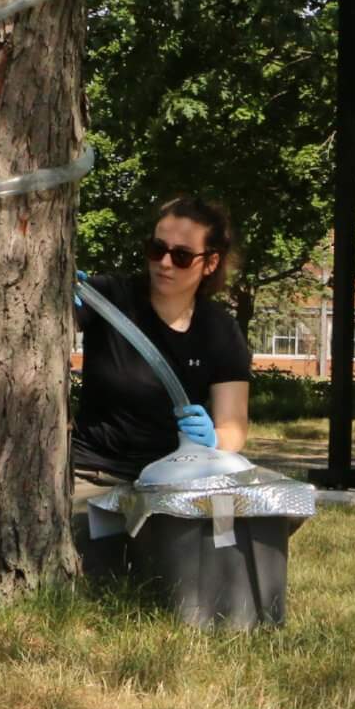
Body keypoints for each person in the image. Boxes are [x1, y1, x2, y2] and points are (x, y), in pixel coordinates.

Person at [70, 197, 254, 563]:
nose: (165, 263)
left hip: (173, 489)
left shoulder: (220, 330)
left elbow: (234, 428)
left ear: (210, 262)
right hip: (93, 479)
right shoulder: (109, 299)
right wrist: (60, 295)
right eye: (157, 249)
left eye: (182, 255)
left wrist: (215, 440)